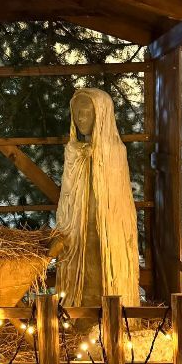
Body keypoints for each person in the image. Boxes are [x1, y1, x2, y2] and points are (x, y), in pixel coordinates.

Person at [56, 88, 140, 309]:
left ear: (102, 114)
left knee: (104, 265)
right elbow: (68, 194)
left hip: (107, 227)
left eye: (86, 113)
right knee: (80, 265)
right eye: (76, 113)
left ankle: (111, 312)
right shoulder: (74, 151)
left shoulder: (114, 152)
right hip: (78, 226)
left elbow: (119, 201)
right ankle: (76, 314)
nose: (81, 118)